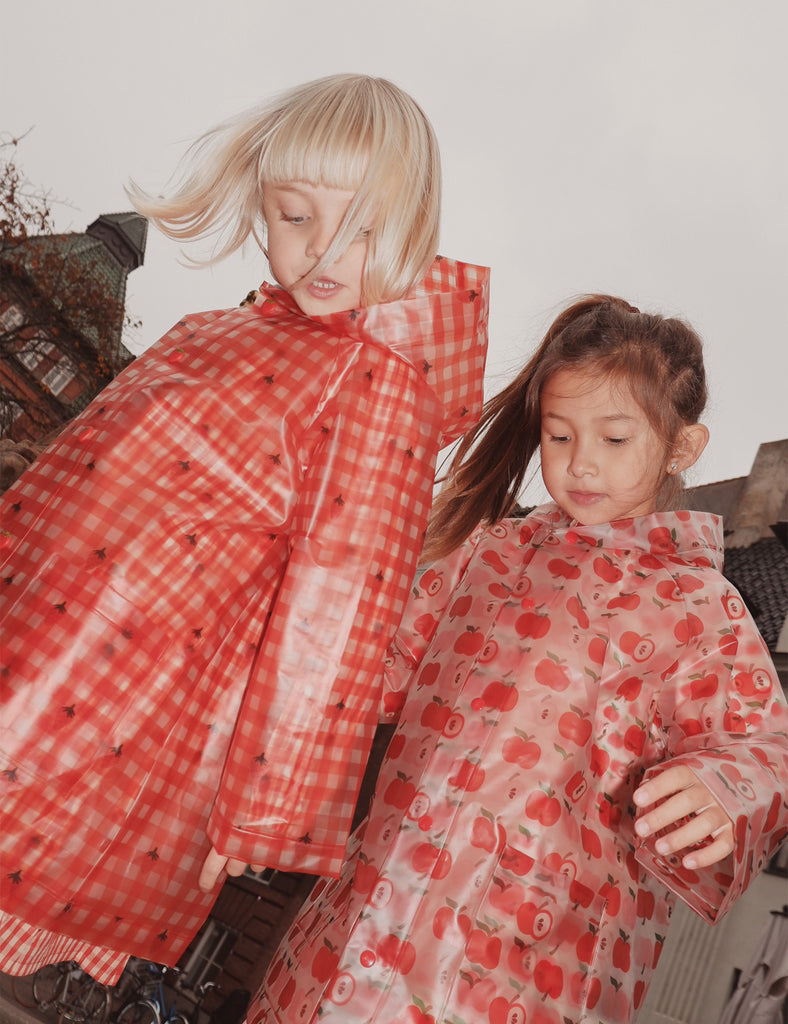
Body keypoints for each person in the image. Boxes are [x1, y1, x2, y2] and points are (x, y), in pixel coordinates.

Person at [0, 74, 489, 984]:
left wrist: (270, 804)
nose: (324, 252)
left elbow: (342, 604)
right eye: (296, 215)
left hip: (126, 690)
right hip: (37, 625)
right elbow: (72, 474)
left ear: (415, 232)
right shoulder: (208, 331)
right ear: (260, 202)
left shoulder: (379, 382)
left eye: (365, 228)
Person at [247, 295, 788, 1024]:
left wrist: (726, 790)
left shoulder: (696, 605)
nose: (581, 464)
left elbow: (765, 744)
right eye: (559, 437)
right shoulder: (488, 551)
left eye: (615, 439)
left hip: (534, 963)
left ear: (682, 448)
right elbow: (371, 665)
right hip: (369, 907)